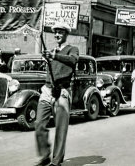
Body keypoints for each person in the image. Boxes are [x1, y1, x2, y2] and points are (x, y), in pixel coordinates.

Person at [35, 22, 79, 166]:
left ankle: (56, 161)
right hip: (47, 90)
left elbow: (73, 61)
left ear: (66, 34)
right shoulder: (51, 51)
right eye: (56, 32)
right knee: (39, 124)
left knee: (61, 128)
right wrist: (47, 58)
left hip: (63, 92)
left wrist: (55, 56)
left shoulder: (72, 49)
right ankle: (45, 155)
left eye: (61, 32)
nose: (57, 35)